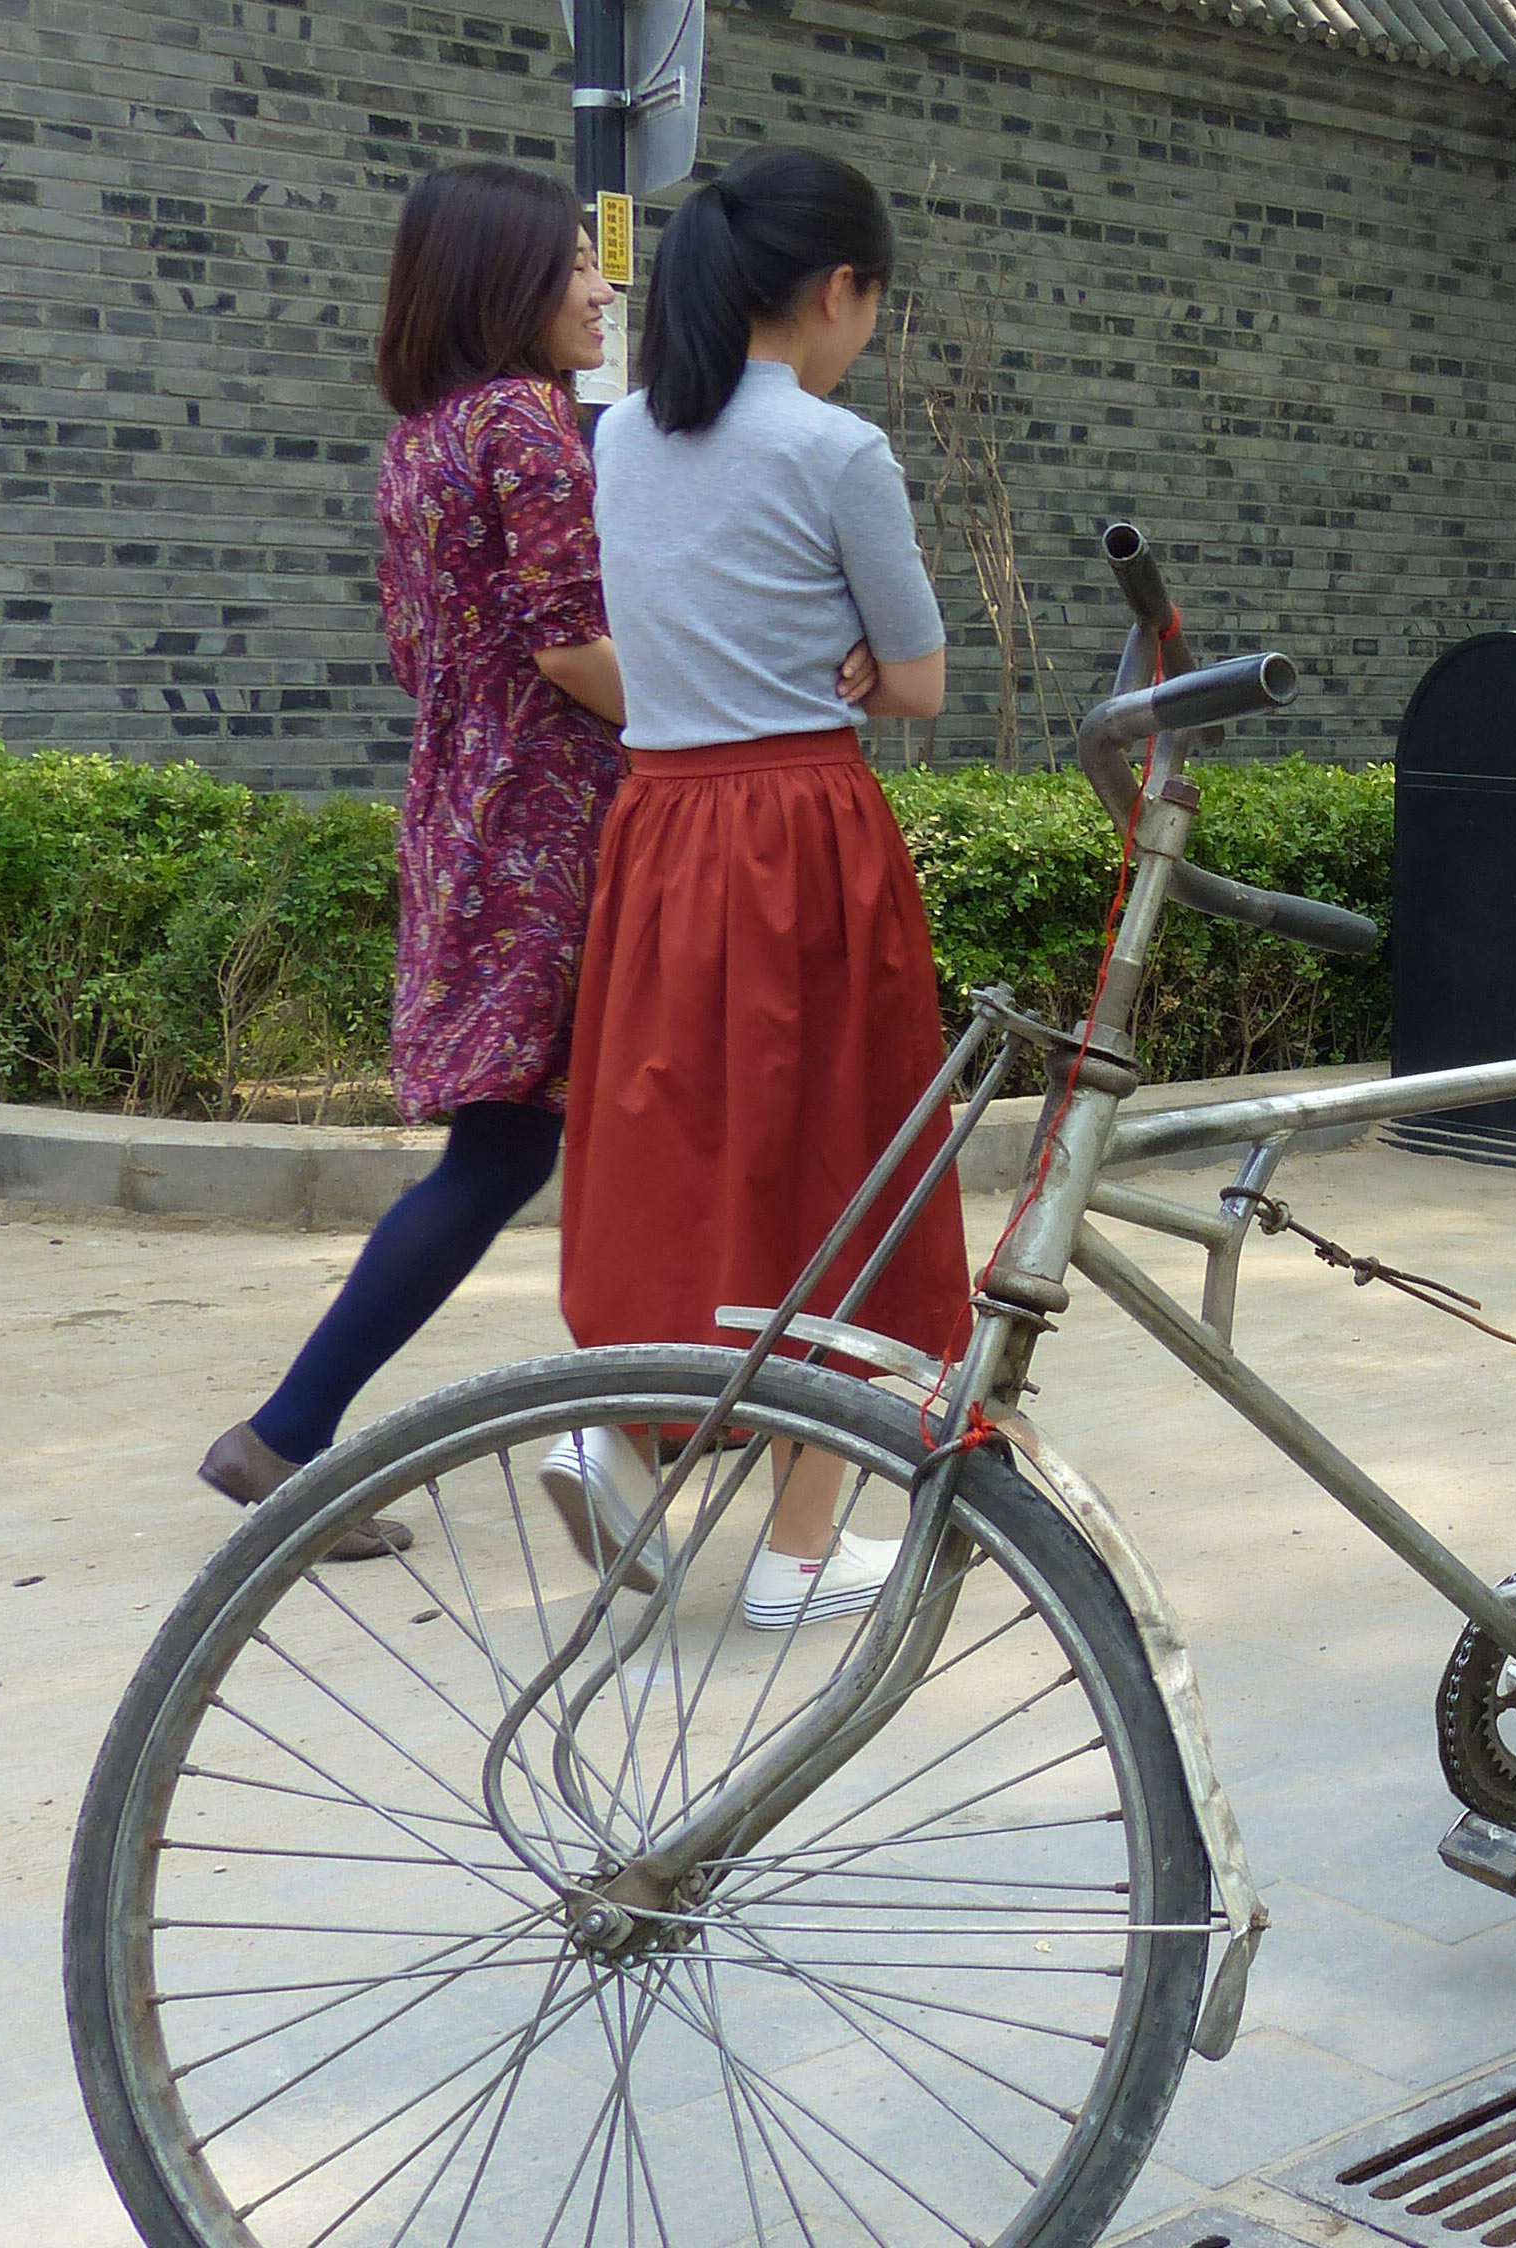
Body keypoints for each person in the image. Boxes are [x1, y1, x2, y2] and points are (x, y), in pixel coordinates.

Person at [195, 162, 625, 1563]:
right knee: (550, 1141)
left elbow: (421, 654)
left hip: (464, 809)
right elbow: (574, 648)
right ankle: (305, 1433)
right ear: (505, 281)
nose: (599, 285)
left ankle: (293, 1435)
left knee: (507, 1149)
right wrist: (723, 715)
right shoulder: (526, 427)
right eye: (571, 266)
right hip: (554, 826)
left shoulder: (422, 438)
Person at [566, 147, 967, 1628]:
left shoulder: (619, 442)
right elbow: (917, 684)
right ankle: (800, 1552)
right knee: (842, 1168)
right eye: (875, 302)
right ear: (837, 291)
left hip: (660, 826)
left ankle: (613, 1428)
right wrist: (859, 658)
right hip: (801, 830)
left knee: (670, 1148)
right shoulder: (834, 451)